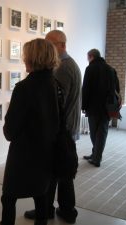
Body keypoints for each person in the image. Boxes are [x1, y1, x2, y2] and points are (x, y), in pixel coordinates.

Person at [24, 30, 82, 224]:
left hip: (62, 129)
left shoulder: (64, 67)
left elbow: (58, 103)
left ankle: (61, 210)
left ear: (61, 45)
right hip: (65, 127)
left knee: (60, 171)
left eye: (50, 44)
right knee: (59, 169)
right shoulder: (68, 64)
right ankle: (56, 209)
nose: (47, 48)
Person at [0, 38, 60, 225]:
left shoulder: (24, 88)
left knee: (9, 197)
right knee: (41, 195)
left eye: (26, 55)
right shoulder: (55, 85)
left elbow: (10, 131)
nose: (23, 58)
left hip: (23, 154)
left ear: (34, 58)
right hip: (47, 152)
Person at [82, 49, 119, 167]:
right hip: (108, 107)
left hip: (93, 107)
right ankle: (96, 155)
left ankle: (96, 157)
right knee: (102, 132)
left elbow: (86, 89)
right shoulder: (111, 69)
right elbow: (117, 89)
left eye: (88, 57)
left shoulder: (90, 69)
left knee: (94, 132)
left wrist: (83, 106)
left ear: (91, 56)